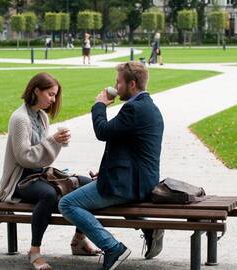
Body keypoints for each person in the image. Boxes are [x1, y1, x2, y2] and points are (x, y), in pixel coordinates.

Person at [59, 62, 165, 270]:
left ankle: (113, 247)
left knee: (67, 204)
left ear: (132, 84)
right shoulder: (149, 106)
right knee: (86, 188)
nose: (116, 86)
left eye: (119, 82)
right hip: (141, 180)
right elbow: (131, 148)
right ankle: (148, 226)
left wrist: (99, 105)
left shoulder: (133, 108)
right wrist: (108, 170)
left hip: (130, 185)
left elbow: (104, 131)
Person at [0, 72, 100, 270]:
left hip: (39, 174)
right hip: (19, 179)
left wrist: (57, 142)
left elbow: (42, 156)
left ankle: (79, 240)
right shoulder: (19, 119)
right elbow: (24, 157)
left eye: (55, 95)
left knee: (90, 185)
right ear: (36, 91)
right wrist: (53, 141)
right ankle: (34, 251)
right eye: (50, 94)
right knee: (49, 195)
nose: (53, 99)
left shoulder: (41, 116)